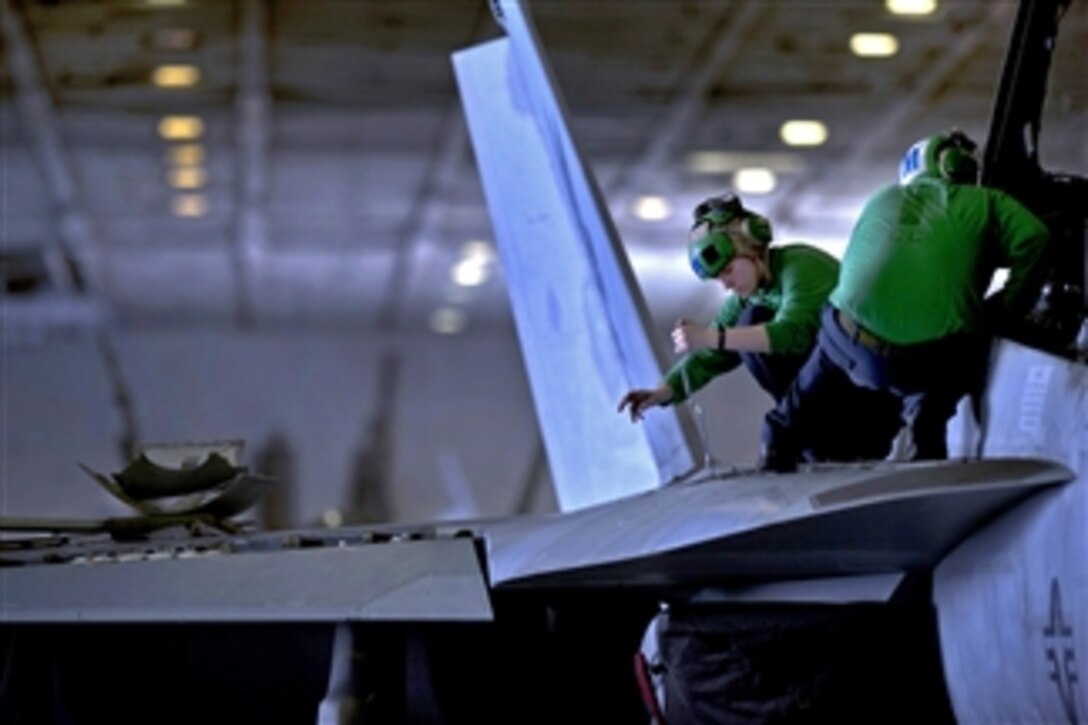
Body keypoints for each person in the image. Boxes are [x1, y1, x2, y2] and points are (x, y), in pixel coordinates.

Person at [760, 130, 1051, 471]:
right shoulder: (988, 201)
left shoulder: (881, 198)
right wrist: (1009, 305)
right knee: (963, 352)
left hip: (847, 345)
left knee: (827, 334)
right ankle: (925, 440)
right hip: (925, 366)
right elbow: (1036, 237)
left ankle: (777, 439)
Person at [618, 192, 899, 463]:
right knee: (747, 323)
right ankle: (813, 438)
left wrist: (709, 337)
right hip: (837, 398)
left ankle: (814, 436)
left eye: (728, 271)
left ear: (752, 250)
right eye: (719, 279)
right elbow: (711, 357)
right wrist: (662, 392)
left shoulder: (802, 268)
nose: (726, 284)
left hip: (872, 398)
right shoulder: (751, 296)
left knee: (751, 323)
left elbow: (793, 333)